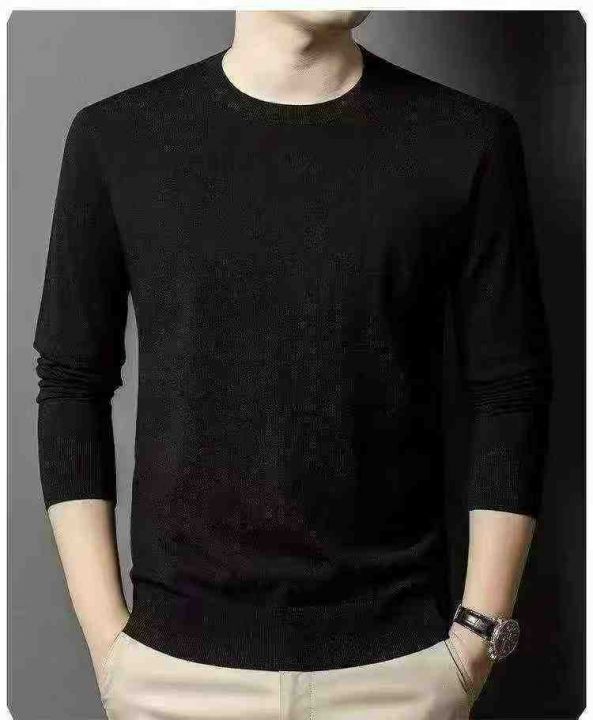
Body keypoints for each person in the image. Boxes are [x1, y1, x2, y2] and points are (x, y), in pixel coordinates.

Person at [33, 10, 553, 720]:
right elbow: (71, 383)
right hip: (174, 674)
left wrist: (474, 644)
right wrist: (110, 648)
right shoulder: (117, 138)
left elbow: (510, 392)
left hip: (401, 672)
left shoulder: (467, 139)